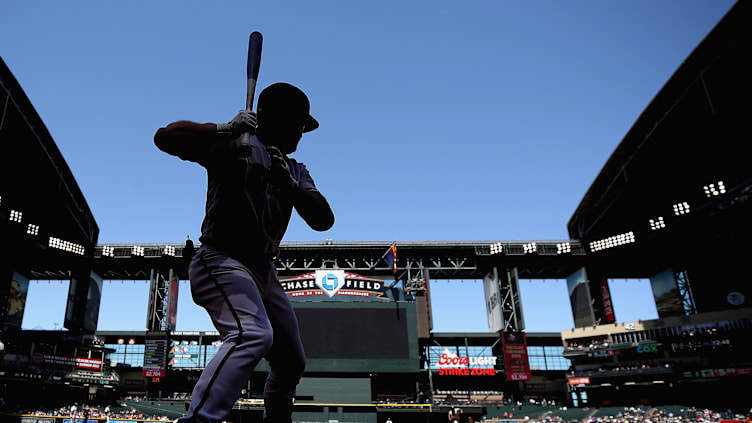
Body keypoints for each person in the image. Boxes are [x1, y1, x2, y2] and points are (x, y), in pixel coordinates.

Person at [154, 82, 334, 423]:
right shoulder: (233, 144)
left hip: (263, 272)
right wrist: (224, 129)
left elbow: (324, 220)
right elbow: (164, 136)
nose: (302, 132)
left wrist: (290, 187)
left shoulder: (295, 169)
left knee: (292, 359)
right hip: (221, 259)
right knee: (252, 333)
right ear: (274, 118)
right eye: (298, 123)